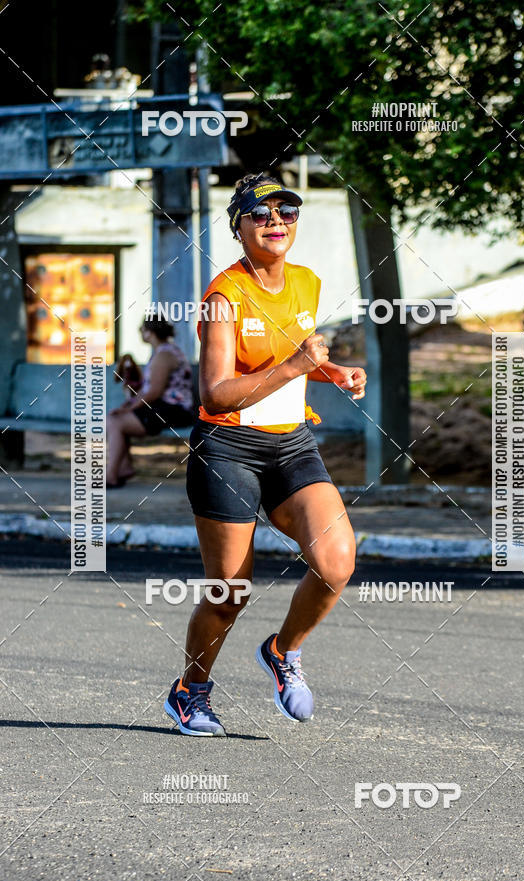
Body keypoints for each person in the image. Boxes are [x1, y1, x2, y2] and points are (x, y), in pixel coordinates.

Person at [164, 174, 367, 737]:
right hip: (226, 450)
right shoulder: (223, 297)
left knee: (335, 562)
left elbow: (294, 356)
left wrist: (333, 372)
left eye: (287, 211)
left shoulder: (306, 283)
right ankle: (191, 690)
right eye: (260, 213)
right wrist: (298, 368)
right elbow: (216, 393)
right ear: (239, 227)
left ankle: (282, 651)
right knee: (229, 592)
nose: (276, 221)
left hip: (291, 444)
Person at [106, 317, 194, 488]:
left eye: (143, 328)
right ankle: (122, 468)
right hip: (164, 408)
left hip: (174, 410)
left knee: (115, 422)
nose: (140, 332)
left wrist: (129, 408)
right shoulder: (163, 352)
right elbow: (149, 391)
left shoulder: (164, 355)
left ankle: (113, 474)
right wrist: (128, 406)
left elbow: (154, 392)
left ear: (150, 332)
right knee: (114, 420)